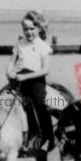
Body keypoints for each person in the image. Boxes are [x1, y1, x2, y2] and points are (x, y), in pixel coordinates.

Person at [6, 11, 53, 152]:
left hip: (35, 79)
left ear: (39, 28)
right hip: (19, 79)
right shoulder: (20, 44)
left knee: (39, 104)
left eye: (32, 28)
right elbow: (11, 62)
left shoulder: (42, 45)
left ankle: (47, 137)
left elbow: (46, 70)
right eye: (25, 29)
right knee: (4, 100)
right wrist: (9, 72)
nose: (28, 32)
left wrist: (25, 77)